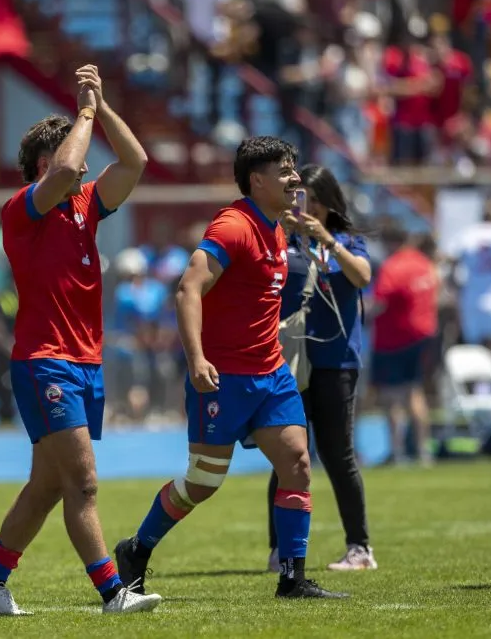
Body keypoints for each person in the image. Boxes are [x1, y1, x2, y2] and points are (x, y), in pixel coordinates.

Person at [113, 136, 349, 600]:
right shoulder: (233, 227)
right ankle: (137, 549)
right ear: (256, 181)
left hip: (272, 375)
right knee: (202, 482)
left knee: (297, 463)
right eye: (284, 171)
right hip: (224, 378)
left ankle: (292, 577)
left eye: (293, 169)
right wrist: (197, 358)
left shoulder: (277, 226)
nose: (294, 178)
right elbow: (187, 289)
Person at [0, 65, 159, 615]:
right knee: (84, 486)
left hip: (83, 362)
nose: (80, 164)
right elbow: (72, 163)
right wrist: (83, 112)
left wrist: (99, 102)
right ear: (42, 166)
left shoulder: (85, 207)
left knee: (47, 488)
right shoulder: (22, 208)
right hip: (46, 362)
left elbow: (135, 162)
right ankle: (111, 593)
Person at [265, 165, 377, 573]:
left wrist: (325, 239)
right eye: (296, 197)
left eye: (309, 199)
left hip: (335, 362)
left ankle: (360, 548)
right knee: (290, 453)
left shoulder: (346, 242)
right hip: (290, 361)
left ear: (327, 203)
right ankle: (280, 551)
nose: (301, 207)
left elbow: (362, 276)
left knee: (337, 454)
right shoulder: (278, 241)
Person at [369, 223, 439, 465]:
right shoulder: (423, 263)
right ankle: (423, 451)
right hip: (423, 335)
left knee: (393, 396)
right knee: (415, 392)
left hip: (394, 339)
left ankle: (397, 451)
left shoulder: (393, 266)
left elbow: (379, 303)